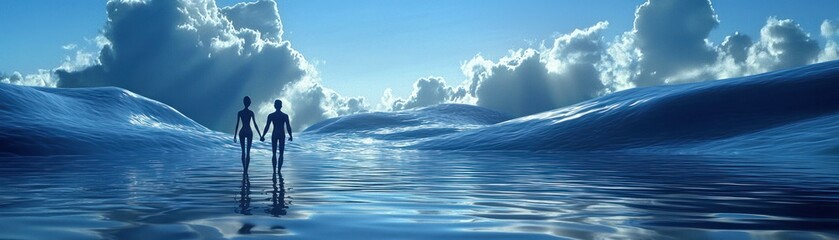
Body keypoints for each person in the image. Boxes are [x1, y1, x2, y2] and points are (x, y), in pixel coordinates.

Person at [261, 99, 293, 175]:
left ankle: (274, 171)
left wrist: (263, 135)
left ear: (275, 106)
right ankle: (278, 171)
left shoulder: (271, 115)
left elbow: (267, 127)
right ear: (281, 106)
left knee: (274, 153)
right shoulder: (285, 116)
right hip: (281, 134)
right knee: (281, 153)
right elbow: (288, 126)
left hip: (275, 134)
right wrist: (290, 135)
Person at [234, 96, 261, 173]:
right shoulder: (251, 112)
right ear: (249, 103)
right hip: (249, 131)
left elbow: (237, 124)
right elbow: (255, 124)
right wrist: (260, 135)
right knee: (248, 152)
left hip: (242, 131)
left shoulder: (240, 112)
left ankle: (244, 169)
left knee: (243, 151)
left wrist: (235, 135)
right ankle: (246, 169)